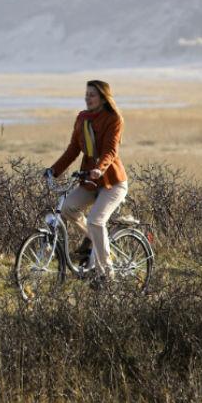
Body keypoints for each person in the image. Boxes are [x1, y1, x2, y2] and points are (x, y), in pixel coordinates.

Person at [44, 80, 128, 281]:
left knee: (95, 220)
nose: (87, 98)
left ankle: (106, 274)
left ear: (103, 97)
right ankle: (96, 240)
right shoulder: (82, 118)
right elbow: (73, 149)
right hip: (90, 181)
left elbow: (110, 151)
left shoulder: (113, 119)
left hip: (112, 182)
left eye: (92, 94)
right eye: (86, 94)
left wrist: (99, 169)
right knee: (67, 208)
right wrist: (54, 170)